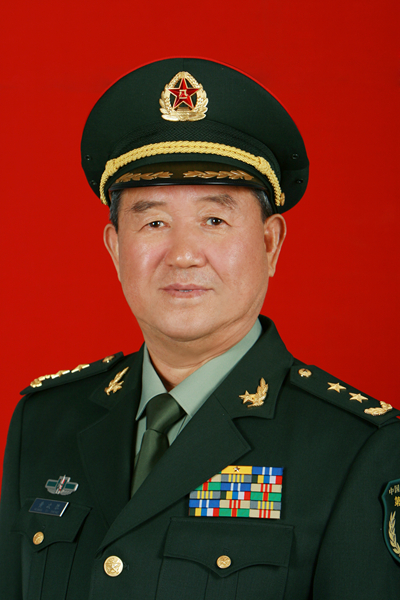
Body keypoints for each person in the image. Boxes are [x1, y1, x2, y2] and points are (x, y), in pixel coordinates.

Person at [0, 58, 399, 600]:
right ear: (115, 248)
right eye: (154, 222)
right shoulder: (45, 422)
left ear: (270, 243)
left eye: (214, 220)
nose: (183, 254)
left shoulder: (356, 447)